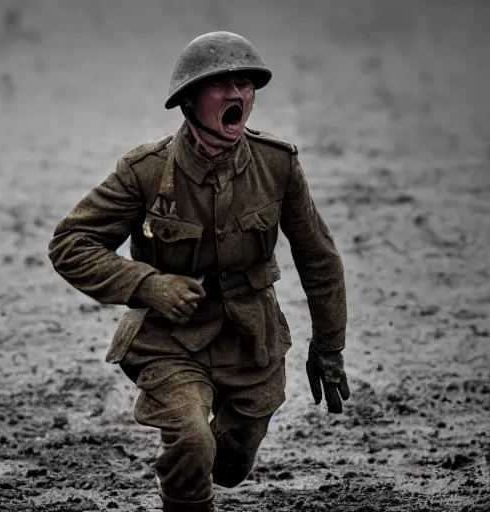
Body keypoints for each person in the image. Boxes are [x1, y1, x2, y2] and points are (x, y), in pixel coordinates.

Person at [48, 31, 350, 512]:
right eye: (220, 84)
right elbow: (71, 243)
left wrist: (329, 345)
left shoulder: (278, 166)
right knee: (191, 440)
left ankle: (214, 460)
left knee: (231, 465)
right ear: (187, 101)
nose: (237, 94)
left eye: (246, 84)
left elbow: (319, 257)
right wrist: (148, 284)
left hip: (252, 341)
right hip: (170, 339)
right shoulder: (144, 172)